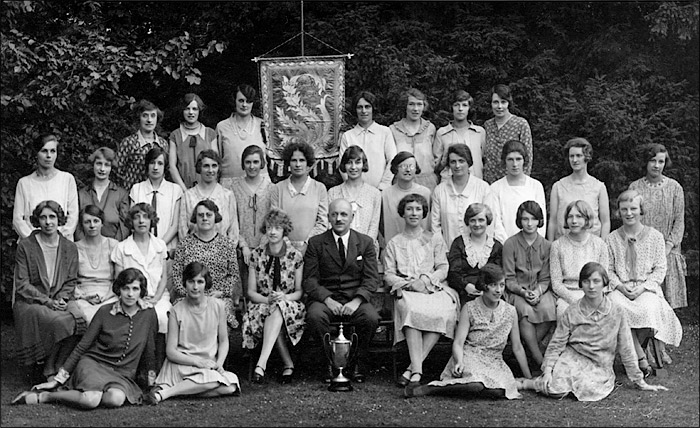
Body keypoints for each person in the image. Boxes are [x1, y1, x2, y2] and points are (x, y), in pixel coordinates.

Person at [516, 262, 669, 401]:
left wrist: (639, 380)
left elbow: (626, 347)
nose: (591, 286)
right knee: (554, 389)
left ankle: (561, 383)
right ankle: (528, 383)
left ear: (604, 283)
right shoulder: (572, 311)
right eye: (586, 281)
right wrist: (548, 370)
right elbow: (557, 343)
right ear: (581, 284)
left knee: (589, 387)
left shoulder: (616, 311)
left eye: (596, 281)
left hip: (599, 363)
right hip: (573, 356)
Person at [11, 268, 159, 408]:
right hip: (94, 364)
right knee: (90, 401)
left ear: (141, 291)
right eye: (126, 288)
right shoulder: (105, 311)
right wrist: (58, 379)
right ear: (119, 289)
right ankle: (46, 396)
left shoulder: (149, 314)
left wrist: (151, 382)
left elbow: (150, 349)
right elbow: (83, 345)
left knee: (116, 399)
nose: (130, 294)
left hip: (122, 373)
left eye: (135, 289)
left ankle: (84, 394)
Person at [404, 264, 531, 399]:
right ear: (483, 285)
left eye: (501, 285)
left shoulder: (510, 311)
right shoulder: (470, 308)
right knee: (476, 384)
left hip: (494, 360)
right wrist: (459, 361)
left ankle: (466, 387)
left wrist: (529, 377)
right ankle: (431, 388)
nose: (498, 290)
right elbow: (458, 342)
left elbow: (517, 347)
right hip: (470, 356)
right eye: (493, 285)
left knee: (500, 391)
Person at [384, 194, 459, 387]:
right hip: (408, 290)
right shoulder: (394, 243)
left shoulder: (434, 238)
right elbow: (389, 274)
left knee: (444, 312)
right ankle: (417, 370)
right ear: (402, 213)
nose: (413, 213)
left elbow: (443, 267)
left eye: (418, 209)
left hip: (433, 289)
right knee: (411, 310)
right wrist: (409, 284)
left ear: (423, 212)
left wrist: (426, 280)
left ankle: (412, 368)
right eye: (409, 209)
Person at [605, 190, 682, 377]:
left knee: (648, 309)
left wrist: (643, 287)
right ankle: (640, 358)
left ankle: (631, 354)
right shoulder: (611, 239)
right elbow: (607, 269)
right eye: (624, 209)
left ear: (641, 211)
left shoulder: (655, 237)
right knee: (617, 308)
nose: (629, 213)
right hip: (620, 288)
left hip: (645, 288)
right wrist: (621, 287)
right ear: (618, 212)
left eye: (633, 208)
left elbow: (660, 269)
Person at [303, 198, 380, 383]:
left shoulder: (365, 243)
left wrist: (357, 301)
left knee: (371, 318)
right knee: (315, 316)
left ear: (352, 217)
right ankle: (328, 363)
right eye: (334, 214)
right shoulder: (316, 243)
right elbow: (310, 280)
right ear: (328, 217)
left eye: (344, 214)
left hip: (355, 299)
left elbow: (371, 279)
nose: (339, 218)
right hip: (325, 300)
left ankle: (356, 363)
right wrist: (327, 299)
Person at [12, 200, 86, 384]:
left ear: (59, 219)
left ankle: (53, 364)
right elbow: (22, 284)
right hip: (31, 302)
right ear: (37, 220)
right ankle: (46, 367)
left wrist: (61, 299)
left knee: (79, 321)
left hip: (58, 299)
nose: (48, 222)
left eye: (52, 217)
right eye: (43, 217)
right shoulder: (26, 246)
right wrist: (48, 301)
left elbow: (70, 280)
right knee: (59, 321)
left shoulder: (69, 247)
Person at [146, 262, 240, 404]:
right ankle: (168, 393)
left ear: (206, 284)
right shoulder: (176, 310)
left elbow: (223, 341)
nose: (195, 287)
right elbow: (171, 351)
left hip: (208, 366)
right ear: (185, 283)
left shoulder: (218, 306)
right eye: (191, 282)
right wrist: (197, 362)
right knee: (217, 383)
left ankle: (176, 391)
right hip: (182, 364)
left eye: (200, 282)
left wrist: (219, 363)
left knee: (231, 386)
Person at [243, 209, 305, 384]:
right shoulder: (256, 255)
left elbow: (299, 292)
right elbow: (251, 292)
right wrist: (267, 299)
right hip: (261, 304)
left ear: (284, 230)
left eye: (277, 228)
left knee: (279, 307)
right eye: (269, 227)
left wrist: (284, 298)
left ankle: (261, 363)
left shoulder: (295, 256)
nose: (272, 231)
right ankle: (287, 364)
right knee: (275, 309)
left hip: (290, 304)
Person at [628, 144, 687, 310]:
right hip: (641, 250)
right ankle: (647, 335)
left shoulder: (675, 188)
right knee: (644, 303)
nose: (656, 165)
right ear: (645, 162)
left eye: (661, 161)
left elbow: (679, 221)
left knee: (667, 306)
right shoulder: (634, 187)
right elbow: (630, 218)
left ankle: (666, 335)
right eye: (652, 160)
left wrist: (667, 246)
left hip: (668, 251)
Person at [172, 200, 240, 329]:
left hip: (218, 296)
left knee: (220, 310)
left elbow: (234, 276)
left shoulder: (226, 245)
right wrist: (191, 294)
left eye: (208, 215)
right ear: (195, 218)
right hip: (190, 295)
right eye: (200, 215)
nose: (204, 218)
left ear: (215, 217)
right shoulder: (185, 244)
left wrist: (221, 293)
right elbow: (176, 276)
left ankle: (217, 347)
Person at [502, 201, 554, 368]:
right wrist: (523, 292)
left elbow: (545, 278)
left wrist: (538, 292)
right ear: (519, 220)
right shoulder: (510, 244)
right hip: (517, 292)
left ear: (540, 220)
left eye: (533, 219)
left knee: (549, 309)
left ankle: (526, 349)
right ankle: (540, 360)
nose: (529, 223)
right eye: (525, 219)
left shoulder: (546, 246)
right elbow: (509, 278)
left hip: (540, 290)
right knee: (524, 311)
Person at [111, 203, 171, 336]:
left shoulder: (160, 245)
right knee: (134, 320)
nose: (141, 221)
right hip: (131, 298)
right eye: (137, 217)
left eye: (145, 217)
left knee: (161, 318)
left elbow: (163, 278)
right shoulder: (122, 248)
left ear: (151, 221)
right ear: (131, 222)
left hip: (158, 297)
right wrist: (136, 300)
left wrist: (155, 299)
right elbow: (119, 280)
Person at [431, 144, 503, 248]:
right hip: (448, 253)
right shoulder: (440, 191)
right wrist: (442, 252)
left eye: (461, 161)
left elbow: (490, 223)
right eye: (453, 162)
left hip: (478, 252)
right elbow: (435, 226)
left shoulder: (483, 188)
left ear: (468, 162)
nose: (457, 166)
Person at [229, 145, 275, 299]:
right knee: (243, 290)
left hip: (265, 246)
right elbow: (233, 220)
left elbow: (272, 218)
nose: (252, 166)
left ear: (262, 163)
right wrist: (243, 246)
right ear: (243, 164)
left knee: (263, 290)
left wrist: (263, 243)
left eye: (256, 162)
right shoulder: (234, 188)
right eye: (248, 162)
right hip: (242, 248)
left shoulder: (270, 188)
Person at [13, 133, 79, 241]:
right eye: (44, 151)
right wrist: (35, 241)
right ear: (36, 153)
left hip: (61, 243)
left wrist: (58, 239)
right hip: (32, 245)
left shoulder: (67, 179)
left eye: (52, 151)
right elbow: (18, 219)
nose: (49, 156)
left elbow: (73, 216)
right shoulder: (24, 183)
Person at [550, 200, 609, 316]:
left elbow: (604, 278)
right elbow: (556, 284)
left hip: (594, 294)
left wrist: (591, 298)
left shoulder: (600, 244)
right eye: (570, 217)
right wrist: (575, 301)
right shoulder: (557, 246)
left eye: (579, 216)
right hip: (568, 295)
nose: (574, 221)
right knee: (565, 312)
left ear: (587, 219)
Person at [269, 141, 329, 254]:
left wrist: (306, 245)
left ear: (308, 163)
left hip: (313, 249)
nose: (297, 164)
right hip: (284, 250)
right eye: (294, 160)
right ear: (288, 163)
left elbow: (322, 223)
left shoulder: (319, 188)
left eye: (302, 160)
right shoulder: (278, 189)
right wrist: (288, 248)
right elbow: (275, 223)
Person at [548, 137, 610, 241]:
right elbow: (553, 221)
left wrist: (602, 247)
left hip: (591, 246)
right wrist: (550, 246)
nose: (575, 160)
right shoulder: (558, 187)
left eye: (579, 156)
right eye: (571, 156)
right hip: (564, 245)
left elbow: (605, 222)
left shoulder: (599, 187)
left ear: (587, 157)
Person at [338, 90, 397, 190]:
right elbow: (342, 165)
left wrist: (383, 186)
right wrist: (353, 187)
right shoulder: (348, 136)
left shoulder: (385, 132)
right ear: (355, 110)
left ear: (373, 109)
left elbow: (392, 160)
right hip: (354, 191)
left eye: (367, 106)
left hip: (381, 191)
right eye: (360, 107)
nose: (364, 111)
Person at [447, 203, 503, 306]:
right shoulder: (459, 243)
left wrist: (487, 290)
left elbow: (498, 275)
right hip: (464, 292)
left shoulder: (496, 246)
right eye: (473, 220)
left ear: (488, 221)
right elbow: (453, 273)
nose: (477, 224)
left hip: (490, 293)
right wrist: (466, 286)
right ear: (468, 222)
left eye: (481, 220)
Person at [178, 150, 239, 243]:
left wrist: (226, 252)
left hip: (222, 253)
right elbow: (183, 232)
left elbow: (233, 232)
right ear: (199, 168)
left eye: (214, 166)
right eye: (206, 166)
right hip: (194, 253)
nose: (210, 170)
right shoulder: (188, 196)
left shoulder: (228, 195)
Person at [490, 140, 547, 239]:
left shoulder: (535, 186)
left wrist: (534, 244)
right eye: (510, 159)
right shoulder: (495, 188)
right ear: (504, 161)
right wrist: (508, 246)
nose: (515, 164)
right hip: (505, 246)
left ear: (524, 160)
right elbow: (496, 222)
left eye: (518, 159)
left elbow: (541, 219)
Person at [129, 146, 183, 251]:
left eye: (160, 163)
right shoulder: (137, 189)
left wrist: (159, 246)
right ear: (147, 165)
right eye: (152, 163)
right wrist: (148, 247)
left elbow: (175, 225)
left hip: (167, 249)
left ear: (165, 166)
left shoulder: (175, 190)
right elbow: (133, 221)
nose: (155, 167)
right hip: (142, 248)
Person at [328, 145, 381, 250]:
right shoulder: (333, 192)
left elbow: (374, 226)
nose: (353, 167)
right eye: (349, 162)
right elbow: (330, 224)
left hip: (367, 249)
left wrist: (364, 247)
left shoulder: (374, 194)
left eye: (357, 162)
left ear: (363, 164)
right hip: (339, 248)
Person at [74, 205, 119, 324]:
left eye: (96, 221)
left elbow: (119, 278)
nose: (92, 225)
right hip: (84, 296)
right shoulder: (74, 248)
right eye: (87, 222)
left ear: (102, 223)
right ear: (81, 225)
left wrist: (108, 295)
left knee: (114, 316)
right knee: (90, 317)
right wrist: (84, 296)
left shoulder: (113, 245)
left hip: (110, 294)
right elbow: (69, 280)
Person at [217, 84, 268, 187]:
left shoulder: (262, 125)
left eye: (248, 101)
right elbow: (217, 159)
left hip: (259, 184)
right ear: (234, 101)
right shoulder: (222, 127)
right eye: (241, 101)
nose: (244, 105)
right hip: (230, 185)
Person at [75, 147, 130, 242]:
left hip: (113, 250)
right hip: (86, 250)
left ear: (111, 167)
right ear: (93, 165)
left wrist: (114, 248)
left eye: (107, 165)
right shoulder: (82, 194)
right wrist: (84, 246)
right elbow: (77, 226)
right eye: (99, 164)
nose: (102, 169)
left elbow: (124, 227)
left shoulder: (121, 194)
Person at [482, 84, 533, 184]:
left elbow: (528, 157)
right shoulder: (487, 126)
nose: (499, 106)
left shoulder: (520, 124)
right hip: (490, 184)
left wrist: (523, 183)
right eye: (496, 102)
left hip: (514, 183)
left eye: (503, 102)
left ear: (509, 103)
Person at [389, 88, 438, 192]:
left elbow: (436, 158)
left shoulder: (430, 128)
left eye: (419, 104)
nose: (415, 109)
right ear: (405, 106)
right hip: (401, 182)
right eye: (411, 104)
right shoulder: (393, 130)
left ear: (424, 106)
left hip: (427, 182)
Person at [115, 99, 169, 191]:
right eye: (145, 116)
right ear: (139, 118)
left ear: (157, 118)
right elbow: (117, 172)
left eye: (153, 116)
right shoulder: (129, 142)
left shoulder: (163, 144)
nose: (149, 120)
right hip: (131, 196)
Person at [168, 93, 218, 192]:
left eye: (194, 109)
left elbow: (216, 163)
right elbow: (172, 166)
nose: (191, 112)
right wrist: (184, 191)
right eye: (187, 109)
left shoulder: (210, 134)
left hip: (207, 188)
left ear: (199, 111)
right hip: (183, 189)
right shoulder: (175, 135)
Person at [433, 90, 486, 181]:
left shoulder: (479, 132)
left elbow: (484, 160)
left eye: (464, 105)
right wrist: (445, 159)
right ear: (452, 108)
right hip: (449, 184)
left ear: (469, 108)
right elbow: (435, 167)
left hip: (475, 184)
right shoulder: (442, 133)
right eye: (456, 105)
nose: (460, 109)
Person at [382, 151, 432, 244]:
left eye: (411, 166)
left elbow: (429, 224)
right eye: (403, 166)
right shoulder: (385, 194)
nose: (408, 170)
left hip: (420, 246)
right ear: (396, 169)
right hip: (393, 246)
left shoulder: (425, 193)